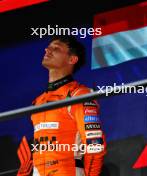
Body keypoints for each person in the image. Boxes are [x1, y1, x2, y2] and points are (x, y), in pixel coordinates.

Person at [30, 35, 106, 175]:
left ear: (72, 59)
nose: (47, 50)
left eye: (56, 48)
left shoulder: (80, 94)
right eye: (48, 47)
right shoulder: (38, 101)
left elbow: (95, 147)